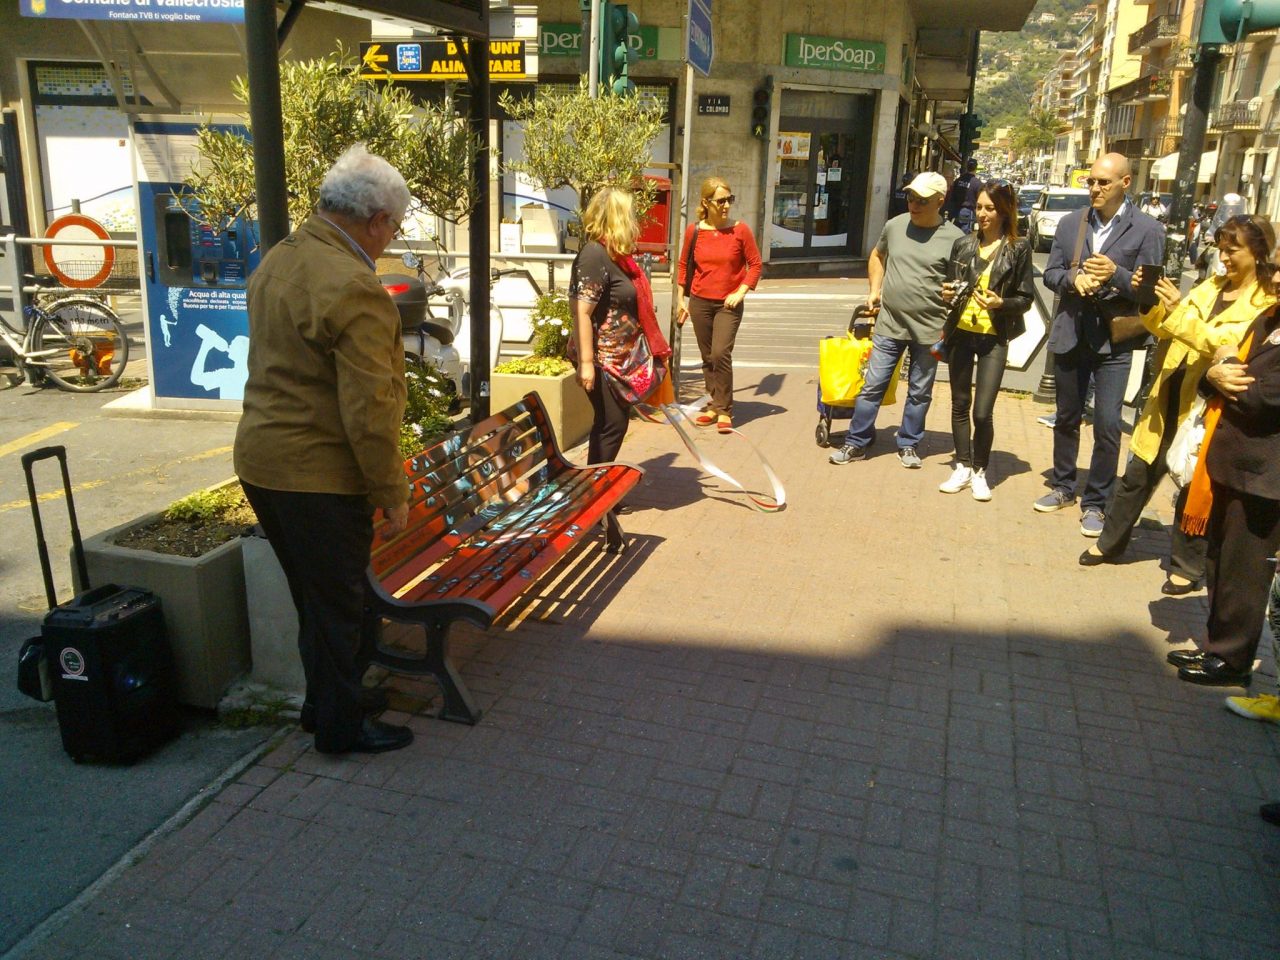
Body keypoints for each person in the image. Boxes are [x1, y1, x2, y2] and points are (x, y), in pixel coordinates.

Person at [234, 144, 413, 756]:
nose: (391, 238)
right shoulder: (354, 286)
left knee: (313, 597)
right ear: (376, 220)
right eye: (395, 225)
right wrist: (392, 493)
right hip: (319, 474)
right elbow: (370, 412)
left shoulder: (280, 259)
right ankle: (341, 727)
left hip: (263, 464)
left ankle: (324, 703)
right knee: (342, 606)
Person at [1080, 215, 1277, 592]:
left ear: (1258, 253)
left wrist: (1178, 313)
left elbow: (1225, 345)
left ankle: (1187, 566)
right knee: (1139, 470)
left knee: (1192, 482)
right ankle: (1110, 541)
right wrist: (1151, 302)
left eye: (1232, 250)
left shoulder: (1263, 302)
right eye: (1221, 249)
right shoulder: (1211, 286)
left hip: (1205, 401)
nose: (1224, 258)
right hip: (1170, 389)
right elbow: (1165, 326)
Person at [1035, 153, 1166, 537]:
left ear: (1125, 183)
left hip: (1115, 342)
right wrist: (1072, 281)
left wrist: (1115, 275)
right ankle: (1062, 486)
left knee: (1108, 424)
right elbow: (1052, 272)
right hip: (1072, 331)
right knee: (1066, 417)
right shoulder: (1071, 224)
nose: (1094, 189)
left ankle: (1096, 501)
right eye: (1091, 181)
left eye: (1103, 183)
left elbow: (1150, 293)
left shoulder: (1147, 229)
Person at [1165, 261, 1280, 696]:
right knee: (1219, 561)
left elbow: (1265, 397)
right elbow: (1221, 369)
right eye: (1276, 268)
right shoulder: (1267, 318)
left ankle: (1232, 660)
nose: (1278, 278)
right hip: (1230, 462)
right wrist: (1217, 371)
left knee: (1246, 572)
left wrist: (1225, 370)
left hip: (1265, 474)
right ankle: (1217, 645)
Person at [829, 171, 964, 466]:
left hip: (930, 329)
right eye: (911, 197)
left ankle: (909, 443)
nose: (913, 204)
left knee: (919, 391)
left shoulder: (955, 239)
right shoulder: (895, 226)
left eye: (922, 200)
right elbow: (877, 256)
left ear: (940, 201)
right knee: (873, 384)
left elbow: (963, 284)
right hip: (890, 324)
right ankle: (857, 442)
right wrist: (875, 290)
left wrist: (952, 293)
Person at [938, 179, 1034, 500]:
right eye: (979, 207)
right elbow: (949, 287)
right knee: (959, 404)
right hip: (961, 334)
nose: (982, 214)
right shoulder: (963, 245)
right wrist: (946, 292)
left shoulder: (1018, 248)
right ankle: (963, 465)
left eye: (990, 208)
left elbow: (1026, 298)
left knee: (982, 411)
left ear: (1004, 211)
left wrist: (1000, 304)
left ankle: (980, 469)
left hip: (994, 337)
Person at [570, 185, 671, 461]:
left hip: (619, 359)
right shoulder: (594, 255)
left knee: (611, 424)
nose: (635, 222)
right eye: (630, 215)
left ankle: (599, 488)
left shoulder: (617, 257)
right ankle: (596, 490)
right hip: (603, 360)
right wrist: (586, 363)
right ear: (616, 218)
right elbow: (581, 310)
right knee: (611, 425)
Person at [675, 177, 762, 433]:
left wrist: (742, 291)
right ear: (706, 202)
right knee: (706, 356)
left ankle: (725, 410)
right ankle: (713, 403)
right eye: (721, 200)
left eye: (729, 200)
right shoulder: (695, 231)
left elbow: (755, 265)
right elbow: (683, 265)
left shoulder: (740, 230)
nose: (726, 205)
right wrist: (682, 298)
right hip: (700, 301)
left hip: (728, 303)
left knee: (720, 352)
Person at [946, 158, 980, 233]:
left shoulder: (958, 180)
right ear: (976, 168)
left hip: (956, 211)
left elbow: (952, 197)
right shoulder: (977, 183)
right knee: (965, 237)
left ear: (967, 167)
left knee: (955, 233)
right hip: (969, 214)